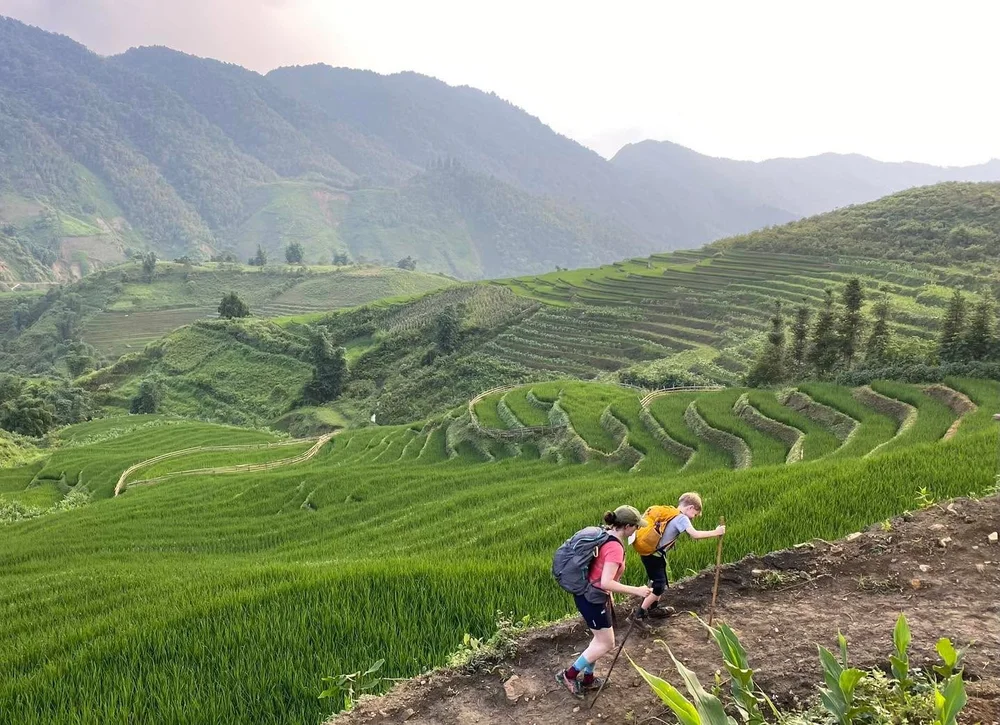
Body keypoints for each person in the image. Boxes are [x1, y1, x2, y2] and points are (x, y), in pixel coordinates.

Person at [555, 505, 652, 698]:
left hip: (589, 594)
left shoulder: (603, 534)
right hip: (592, 599)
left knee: (599, 640)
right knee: (607, 643)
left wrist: (609, 593)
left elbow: (600, 573)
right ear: (626, 526)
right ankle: (569, 675)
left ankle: (589, 679)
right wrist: (637, 591)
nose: (637, 529)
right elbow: (606, 580)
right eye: (635, 526)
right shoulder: (615, 547)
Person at [633, 491, 725, 623]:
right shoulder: (682, 518)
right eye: (695, 514)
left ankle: (654, 608)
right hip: (653, 555)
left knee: (661, 581)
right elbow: (695, 535)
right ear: (690, 508)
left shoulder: (671, 513)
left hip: (653, 554)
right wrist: (716, 532)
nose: (693, 517)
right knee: (659, 585)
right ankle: (639, 614)